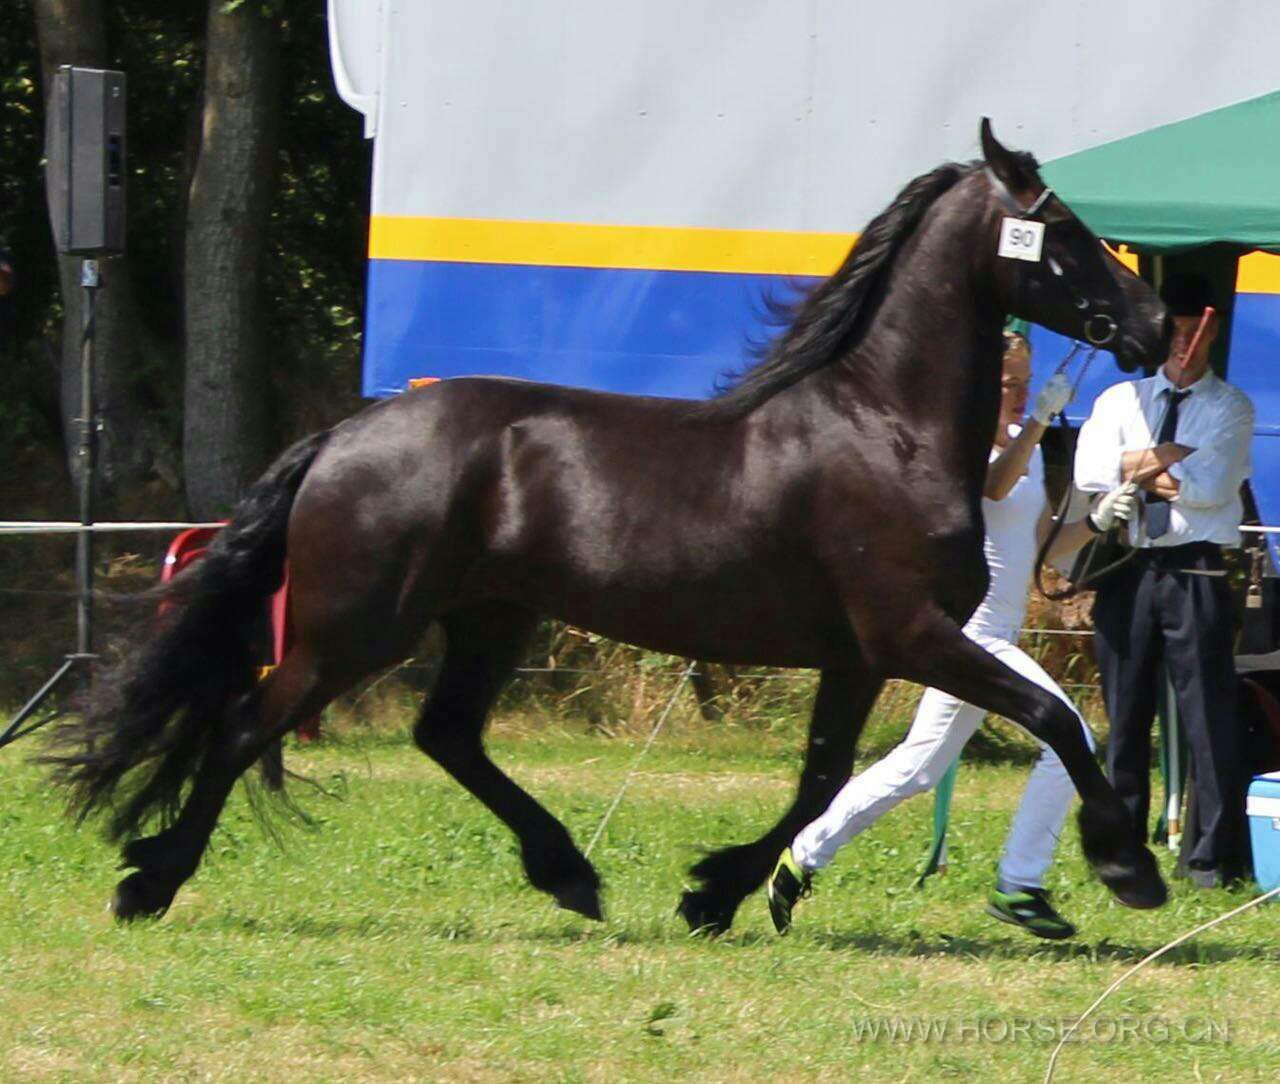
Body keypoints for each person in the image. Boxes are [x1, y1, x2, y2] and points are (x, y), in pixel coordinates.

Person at [768, 328, 1138, 939]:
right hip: (974, 636)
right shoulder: (958, 446)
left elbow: (1049, 546)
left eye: (1026, 382)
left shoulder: (1025, 450)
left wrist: (1096, 522)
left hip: (990, 640)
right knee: (1068, 739)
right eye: (1007, 385)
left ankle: (802, 855)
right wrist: (1041, 422)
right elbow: (992, 487)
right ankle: (1020, 884)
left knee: (918, 768)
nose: (1020, 395)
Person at [1073, 273, 1255, 887]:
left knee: (1208, 717)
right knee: (1124, 717)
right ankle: (1122, 851)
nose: (1185, 345)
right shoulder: (1119, 402)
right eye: (1175, 333)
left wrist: (1135, 465)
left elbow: (1209, 492)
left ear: (1213, 335)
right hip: (1128, 569)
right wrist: (1169, 454)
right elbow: (1092, 470)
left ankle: (1210, 856)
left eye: (1196, 333)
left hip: (1194, 569)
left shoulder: (1229, 407)